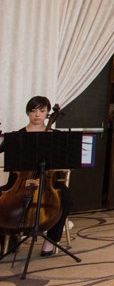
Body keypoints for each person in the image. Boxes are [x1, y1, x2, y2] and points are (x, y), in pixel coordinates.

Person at [0, 96, 73, 257]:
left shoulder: (56, 136)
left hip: (48, 182)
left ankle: (51, 240)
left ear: (47, 113)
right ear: (28, 113)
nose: (37, 115)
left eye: (41, 110)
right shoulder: (17, 135)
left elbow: (65, 160)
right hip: (18, 183)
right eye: (33, 111)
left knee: (66, 198)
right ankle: (7, 236)